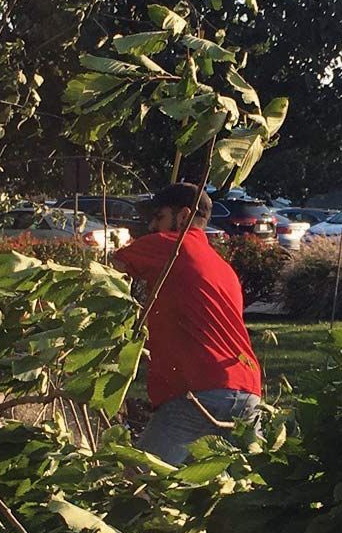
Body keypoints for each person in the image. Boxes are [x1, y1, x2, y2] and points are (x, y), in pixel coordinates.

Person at [111, 182, 262, 465]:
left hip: (199, 391)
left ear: (182, 217)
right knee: (230, 494)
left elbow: (106, 272)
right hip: (247, 391)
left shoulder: (171, 245)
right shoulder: (222, 267)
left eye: (159, 217)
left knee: (140, 485)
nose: (153, 227)